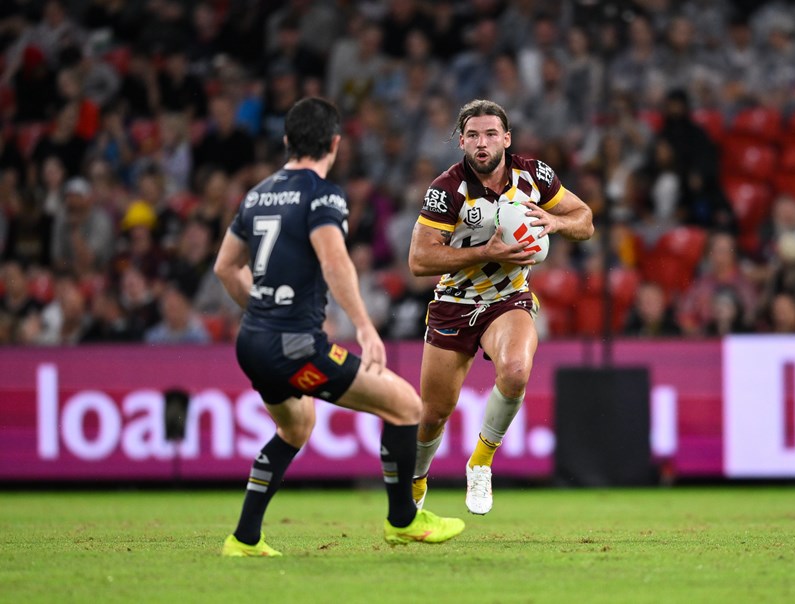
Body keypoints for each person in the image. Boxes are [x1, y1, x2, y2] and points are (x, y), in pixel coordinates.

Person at [213, 97, 464, 557]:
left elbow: (226, 268)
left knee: (296, 426)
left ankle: (244, 538)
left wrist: (263, 308)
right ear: (335, 143)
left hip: (252, 341)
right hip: (295, 346)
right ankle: (403, 520)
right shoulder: (322, 193)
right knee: (406, 406)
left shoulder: (258, 193)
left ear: (287, 141)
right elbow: (333, 259)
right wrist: (366, 327)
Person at [407, 99, 594, 515]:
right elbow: (419, 260)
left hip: (508, 298)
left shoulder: (534, 175)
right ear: (461, 142)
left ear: (506, 139)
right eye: (472, 135)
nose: (482, 143)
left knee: (515, 369)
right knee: (434, 413)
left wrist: (557, 223)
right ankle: (416, 480)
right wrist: (482, 252)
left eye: (491, 134)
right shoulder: (446, 190)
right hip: (455, 302)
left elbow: (585, 217)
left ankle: (481, 462)